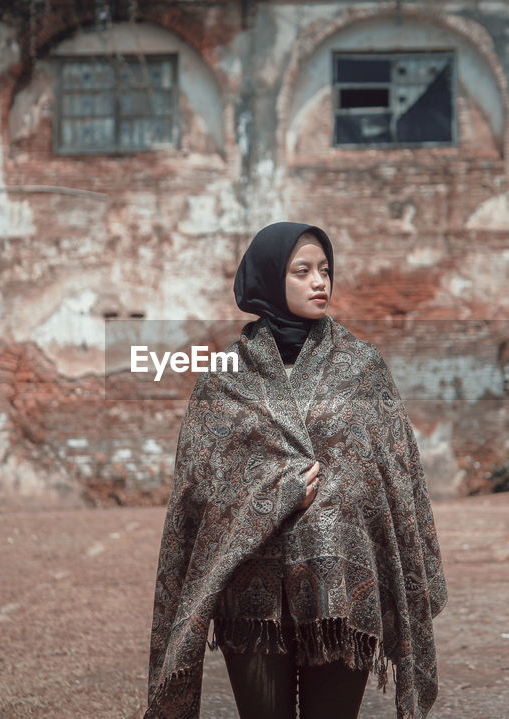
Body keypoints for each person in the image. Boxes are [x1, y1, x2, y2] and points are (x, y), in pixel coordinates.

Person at [144, 222, 446, 719]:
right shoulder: (224, 379)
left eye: (325, 270)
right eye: (301, 271)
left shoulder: (362, 367)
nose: (319, 282)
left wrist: (334, 494)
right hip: (252, 598)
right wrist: (276, 492)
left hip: (342, 592)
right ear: (268, 279)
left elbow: (394, 473)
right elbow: (199, 493)